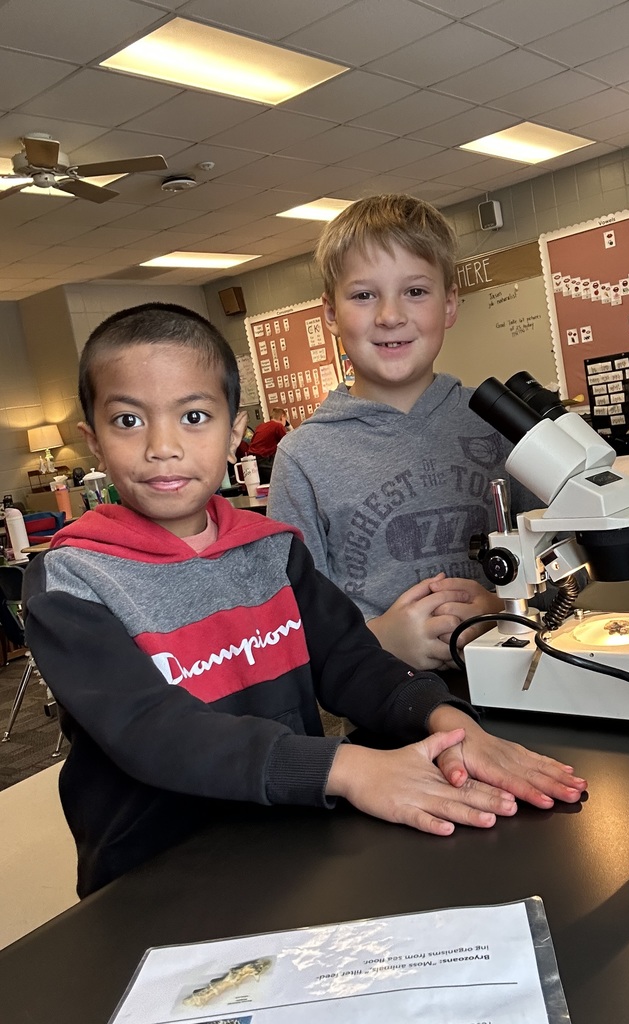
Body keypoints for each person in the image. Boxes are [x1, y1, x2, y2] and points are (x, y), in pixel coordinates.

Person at [22, 302, 586, 898]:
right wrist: (346, 767)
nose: (163, 446)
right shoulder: (72, 581)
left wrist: (448, 726)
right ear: (93, 442)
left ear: (235, 431)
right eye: (129, 422)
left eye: (193, 415)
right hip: (155, 874)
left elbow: (350, 661)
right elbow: (151, 731)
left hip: (289, 838)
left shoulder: (273, 552)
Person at [268, 194, 543, 672]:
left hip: (526, 685)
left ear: (450, 304)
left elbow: (562, 565)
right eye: (363, 295)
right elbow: (287, 620)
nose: (390, 315)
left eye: (415, 291)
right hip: (388, 721)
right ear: (331, 314)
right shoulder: (302, 460)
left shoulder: (501, 422)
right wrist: (375, 640)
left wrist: (502, 608)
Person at [246, 406, 289, 482]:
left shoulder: (261, 426)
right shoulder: (278, 426)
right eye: (286, 420)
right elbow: (287, 444)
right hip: (264, 460)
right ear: (282, 417)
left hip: (252, 461)